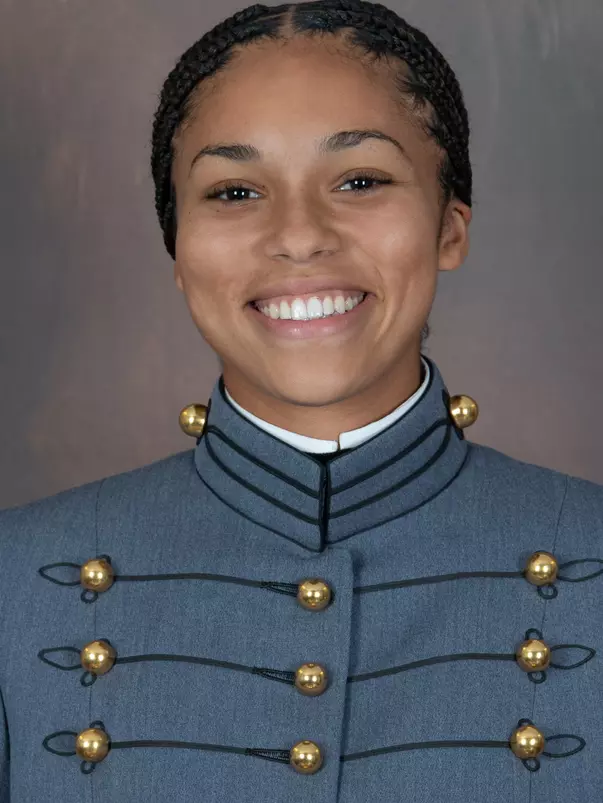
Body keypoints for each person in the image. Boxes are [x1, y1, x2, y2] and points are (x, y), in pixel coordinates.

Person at [1, 1, 601, 800]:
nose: (298, 234)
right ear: (177, 251)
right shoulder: (15, 580)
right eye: (234, 191)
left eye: (359, 180)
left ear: (449, 228)